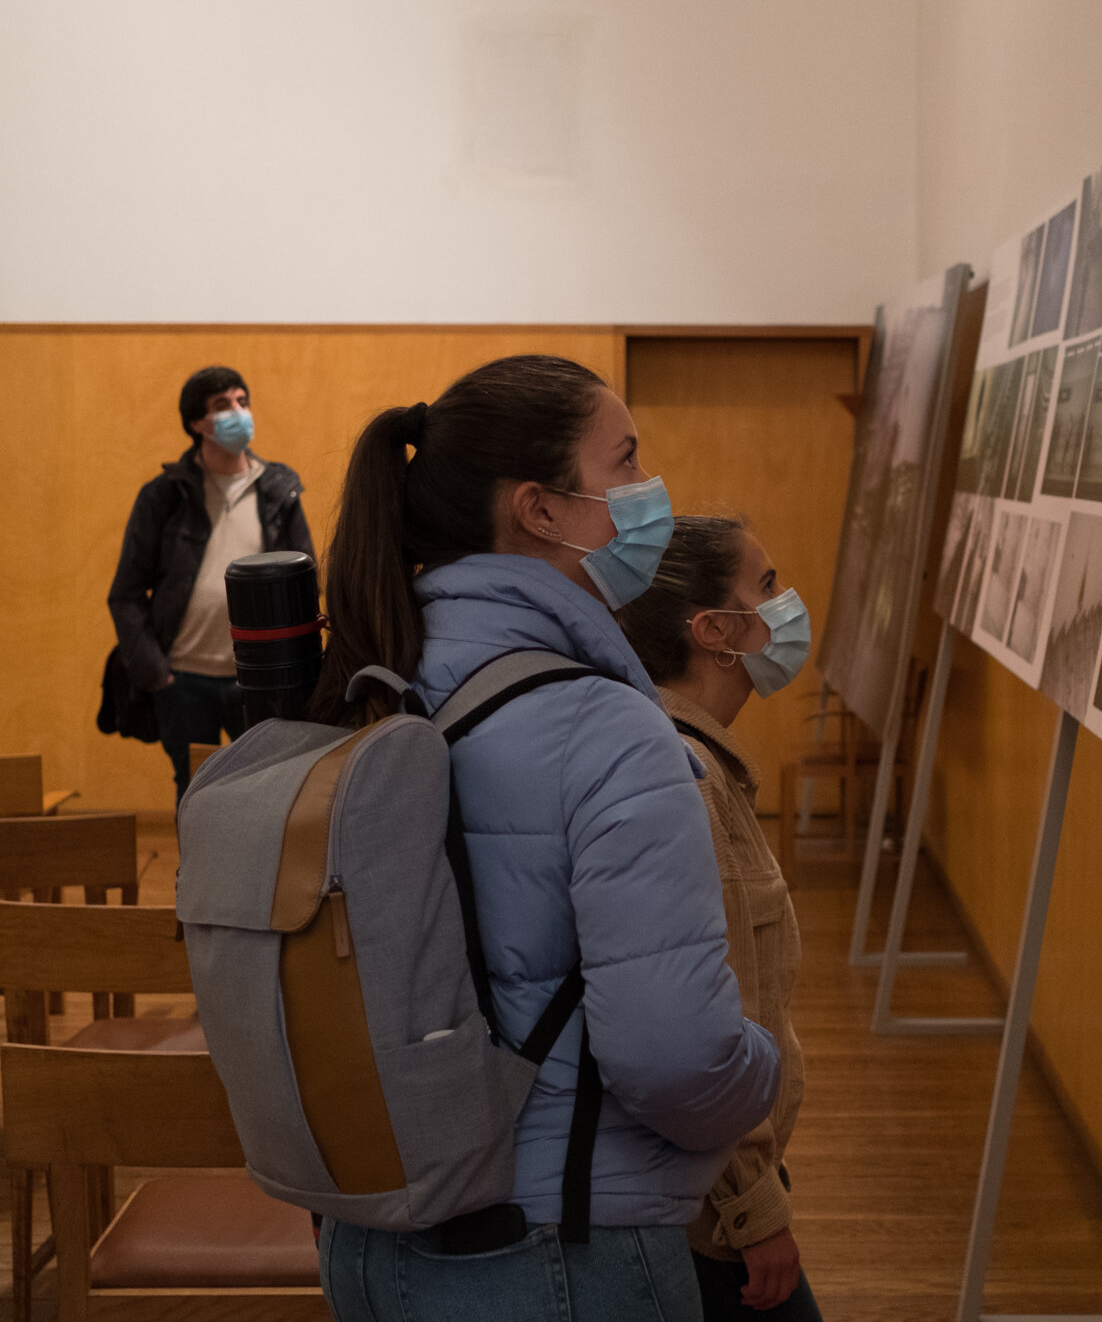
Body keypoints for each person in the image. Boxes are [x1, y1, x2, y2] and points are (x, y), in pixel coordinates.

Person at [308, 356, 781, 1320]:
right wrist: (761, 1060)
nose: (649, 492)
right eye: (626, 461)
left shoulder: (362, 682)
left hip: (368, 1244)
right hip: (559, 1250)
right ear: (542, 509)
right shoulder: (609, 728)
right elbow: (674, 1056)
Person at [618, 517, 821, 1322]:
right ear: (714, 631)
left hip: (722, 1193)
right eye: (766, 586)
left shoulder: (695, 760)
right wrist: (755, 1211)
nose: (786, 602)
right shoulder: (688, 782)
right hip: (714, 1213)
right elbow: (705, 1030)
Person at [106, 366, 313, 802]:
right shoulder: (165, 494)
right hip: (184, 682)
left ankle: (257, 874)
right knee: (197, 793)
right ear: (196, 423)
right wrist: (156, 675)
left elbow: (304, 581)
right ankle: (199, 874)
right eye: (223, 406)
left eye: (242, 401)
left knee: (267, 793)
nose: (238, 412)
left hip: (258, 681)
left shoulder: (279, 489)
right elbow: (125, 594)